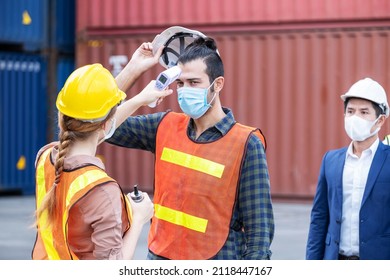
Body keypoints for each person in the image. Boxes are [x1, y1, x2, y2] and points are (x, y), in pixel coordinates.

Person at [107, 28, 274, 260]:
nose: (185, 91)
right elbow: (97, 124)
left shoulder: (246, 143)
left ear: (218, 84)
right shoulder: (163, 125)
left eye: (194, 82)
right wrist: (133, 71)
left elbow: (259, 233)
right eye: (181, 83)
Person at [32, 43, 173, 260]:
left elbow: (93, 118)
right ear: (107, 126)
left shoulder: (45, 158)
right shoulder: (102, 191)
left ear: (62, 119)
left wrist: (135, 74)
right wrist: (138, 219)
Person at [306, 77, 390, 260]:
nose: (355, 118)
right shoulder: (331, 160)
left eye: (364, 112)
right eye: (350, 111)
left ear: (380, 120)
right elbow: (319, 218)